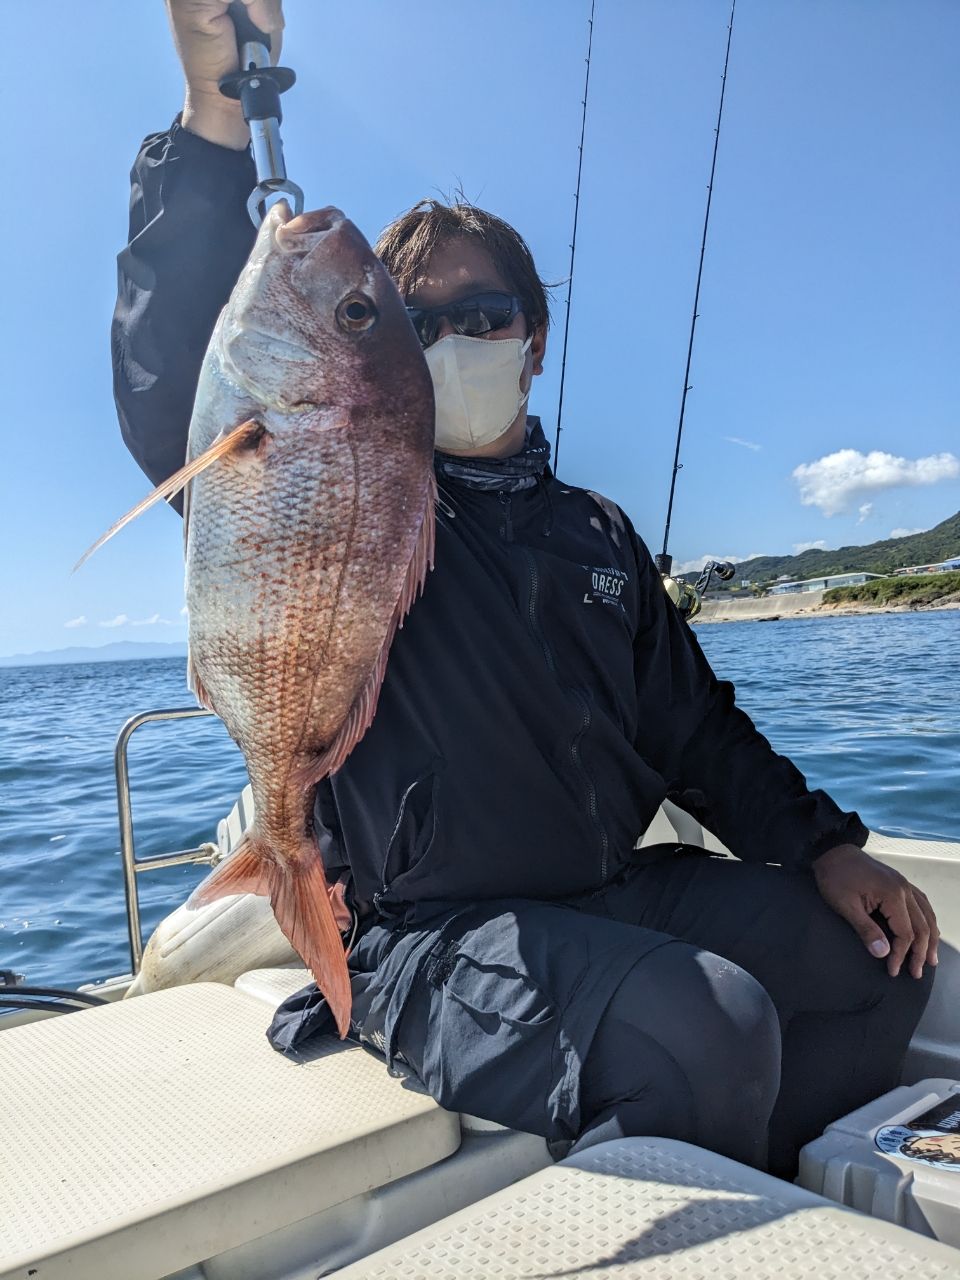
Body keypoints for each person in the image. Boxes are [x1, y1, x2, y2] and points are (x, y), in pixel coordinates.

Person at [114, 0, 939, 1179]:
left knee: (879, 960)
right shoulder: (367, 491)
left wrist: (827, 846)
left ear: (535, 336)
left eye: (483, 314)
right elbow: (170, 385)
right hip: (429, 931)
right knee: (710, 1026)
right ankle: (689, 1157)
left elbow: (698, 732)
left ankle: (747, 1186)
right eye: (417, 318)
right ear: (380, 354)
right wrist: (211, 120)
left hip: (612, 889)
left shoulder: (595, 530)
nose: (456, 335)